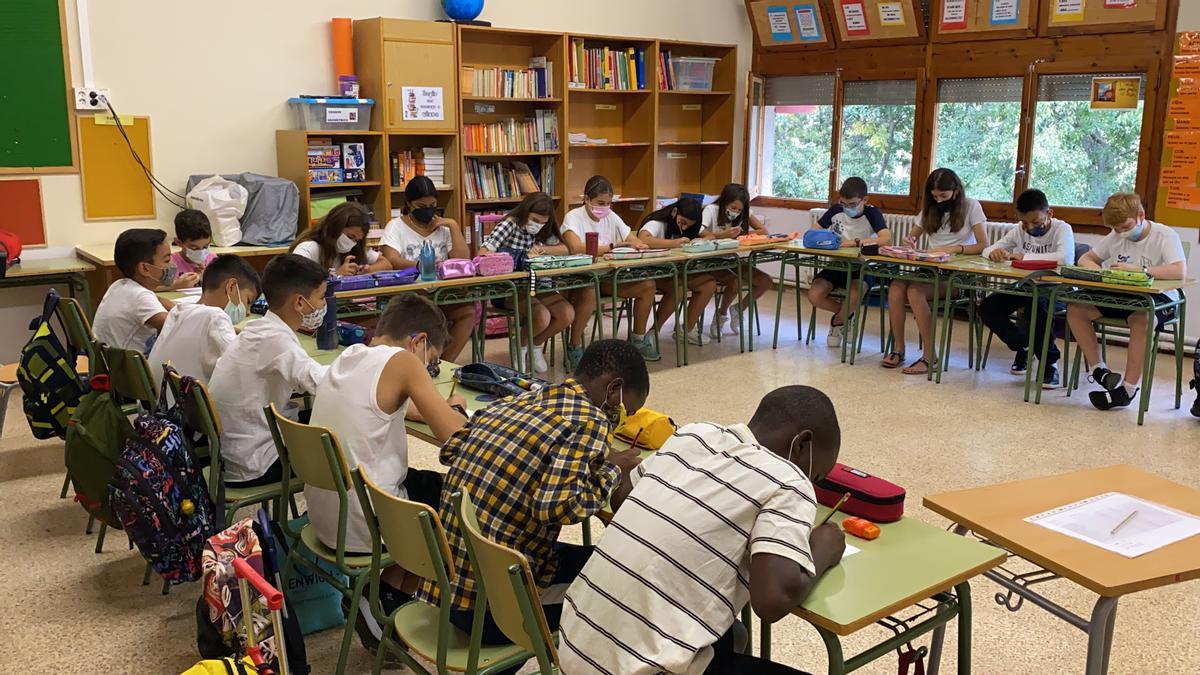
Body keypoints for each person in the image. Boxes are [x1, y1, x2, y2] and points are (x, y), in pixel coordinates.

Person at [559, 385, 845, 675]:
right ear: (801, 444)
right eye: (817, 475)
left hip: (573, 646)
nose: (812, 481)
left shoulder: (694, 433)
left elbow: (622, 497)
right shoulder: (789, 481)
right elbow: (772, 601)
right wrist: (823, 549)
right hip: (639, 668)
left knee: (733, 635)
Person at [414, 339, 648, 670]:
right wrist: (612, 468)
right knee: (620, 583)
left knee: (594, 561)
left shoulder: (521, 398)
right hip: (494, 614)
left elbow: (451, 450)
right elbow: (556, 508)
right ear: (614, 390)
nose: (620, 417)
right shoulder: (590, 421)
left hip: (451, 587)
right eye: (627, 409)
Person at [209, 254, 329, 488]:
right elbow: (322, 383)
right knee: (340, 444)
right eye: (321, 297)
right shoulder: (276, 340)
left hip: (233, 454)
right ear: (299, 303)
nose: (324, 305)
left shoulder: (258, 328)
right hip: (256, 463)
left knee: (313, 418)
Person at [1068, 193, 1187, 410]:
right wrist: (1100, 274)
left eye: (1126, 226)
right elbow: (1086, 258)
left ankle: (1128, 389)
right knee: (1076, 308)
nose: (1122, 233)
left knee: (1142, 318)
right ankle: (1099, 370)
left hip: (1159, 298)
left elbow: (1179, 271)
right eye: (1117, 229)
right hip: (1123, 294)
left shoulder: (1164, 235)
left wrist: (1141, 270)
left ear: (1141, 215)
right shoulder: (1116, 235)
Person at [883, 168, 988, 376]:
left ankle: (930, 358)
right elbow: (911, 238)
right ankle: (899, 350)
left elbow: (984, 245)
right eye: (934, 196)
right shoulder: (931, 208)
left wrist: (955, 248)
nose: (939, 201)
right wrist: (908, 243)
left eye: (944, 196)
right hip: (930, 267)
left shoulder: (971, 206)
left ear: (956, 191)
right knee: (895, 287)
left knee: (914, 291)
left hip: (957, 274)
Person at [978, 189, 1075, 389]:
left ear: (1050, 213)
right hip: (1026, 286)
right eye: (1024, 223)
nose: (1030, 228)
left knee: (1037, 307)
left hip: (1056, 288)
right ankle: (1023, 344)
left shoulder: (1062, 229)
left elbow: (1064, 258)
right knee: (988, 306)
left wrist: (1024, 257)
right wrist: (994, 253)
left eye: (1036, 222)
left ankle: (1049, 364)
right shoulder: (1019, 230)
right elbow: (987, 249)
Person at [562, 175, 661, 362]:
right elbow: (575, 246)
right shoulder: (573, 217)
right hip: (579, 278)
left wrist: (636, 245)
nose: (604, 208)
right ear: (587, 200)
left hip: (608, 277)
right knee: (590, 291)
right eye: (600, 202)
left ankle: (638, 338)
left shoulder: (611, 216)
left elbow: (632, 238)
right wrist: (612, 247)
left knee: (648, 285)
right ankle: (574, 345)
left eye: (608, 203)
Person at [478, 192, 578, 373]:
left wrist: (543, 249)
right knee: (541, 316)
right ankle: (520, 346)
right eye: (534, 219)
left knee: (567, 313)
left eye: (542, 222)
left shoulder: (544, 229)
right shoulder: (510, 224)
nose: (537, 225)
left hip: (537, 286)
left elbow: (565, 249)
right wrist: (507, 259)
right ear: (525, 212)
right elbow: (483, 252)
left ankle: (536, 345)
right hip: (509, 290)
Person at [380, 175, 475, 362]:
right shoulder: (396, 226)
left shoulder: (443, 228)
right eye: (422, 207)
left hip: (443, 293)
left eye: (432, 205)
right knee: (429, 321)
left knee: (468, 313)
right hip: (412, 296)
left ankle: (445, 364)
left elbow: (464, 260)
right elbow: (391, 260)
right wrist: (421, 265)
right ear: (409, 204)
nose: (428, 211)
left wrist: (453, 226)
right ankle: (425, 364)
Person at [147, 254, 262, 389]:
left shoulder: (179, 312)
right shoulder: (216, 317)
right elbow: (243, 368)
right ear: (231, 286)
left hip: (161, 404)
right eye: (248, 301)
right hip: (191, 407)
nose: (247, 311)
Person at [808, 177, 891, 348]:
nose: (847, 208)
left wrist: (855, 242)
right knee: (814, 295)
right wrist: (825, 239)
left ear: (865, 200)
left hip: (862, 266)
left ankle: (837, 323)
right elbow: (813, 231)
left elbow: (886, 238)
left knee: (854, 295)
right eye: (844, 203)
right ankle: (848, 314)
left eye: (852, 204)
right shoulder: (836, 210)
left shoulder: (872, 212)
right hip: (837, 264)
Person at [638, 197, 718, 347]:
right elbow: (643, 239)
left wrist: (700, 241)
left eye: (689, 225)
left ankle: (686, 331)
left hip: (675, 269)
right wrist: (674, 243)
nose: (685, 227)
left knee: (708, 283)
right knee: (679, 287)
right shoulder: (658, 221)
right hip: (651, 270)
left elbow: (710, 235)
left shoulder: (690, 224)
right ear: (675, 212)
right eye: (682, 222)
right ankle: (653, 332)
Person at [702, 183, 776, 339]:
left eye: (739, 210)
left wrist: (742, 234)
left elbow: (763, 231)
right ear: (724, 202)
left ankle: (739, 309)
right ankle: (720, 316)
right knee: (735, 282)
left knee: (766, 281)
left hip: (734, 259)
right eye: (733, 207)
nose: (735, 212)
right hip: (712, 261)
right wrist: (723, 235)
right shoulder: (711, 210)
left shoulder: (743, 213)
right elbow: (701, 232)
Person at [93, 228, 177, 354]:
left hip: (109, 364)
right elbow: (177, 328)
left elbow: (161, 301)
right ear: (145, 268)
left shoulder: (120, 286)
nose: (172, 265)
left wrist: (186, 310)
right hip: (127, 370)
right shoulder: (140, 296)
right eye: (167, 260)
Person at [290, 201, 391, 275]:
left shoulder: (355, 248)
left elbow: (386, 264)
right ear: (335, 227)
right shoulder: (309, 248)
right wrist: (336, 275)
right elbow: (295, 280)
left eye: (357, 240)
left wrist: (368, 270)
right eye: (350, 237)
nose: (352, 243)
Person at [169, 209, 216, 287]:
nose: (201, 252)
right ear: (178, 242)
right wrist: (177, 284)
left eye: (205, 246)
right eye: (194, 248)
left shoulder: (213, 261)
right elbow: (152, 287)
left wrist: (210, 279)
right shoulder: (171, 263)